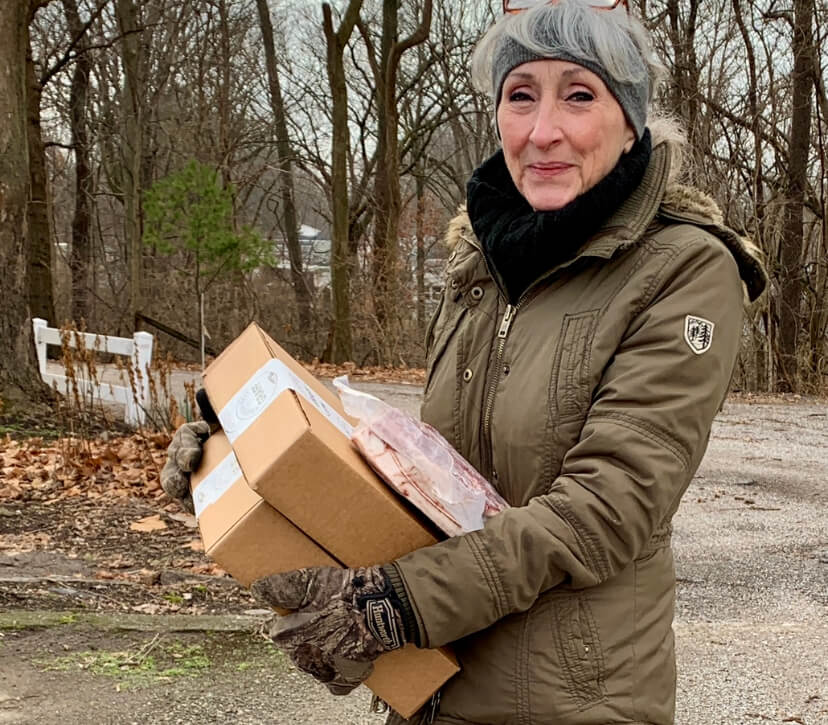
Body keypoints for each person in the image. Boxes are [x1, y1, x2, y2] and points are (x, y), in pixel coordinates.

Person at [162, 1, 767, 723]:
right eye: (520, 95)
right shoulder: (479, 257)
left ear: (629, 118)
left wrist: (396, 605)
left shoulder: (685, 268)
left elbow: (606, 509)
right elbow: (434, 471)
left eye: (579, 94)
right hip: (433, 688)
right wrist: (250, 451)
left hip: (573, 702)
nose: (543, 131)